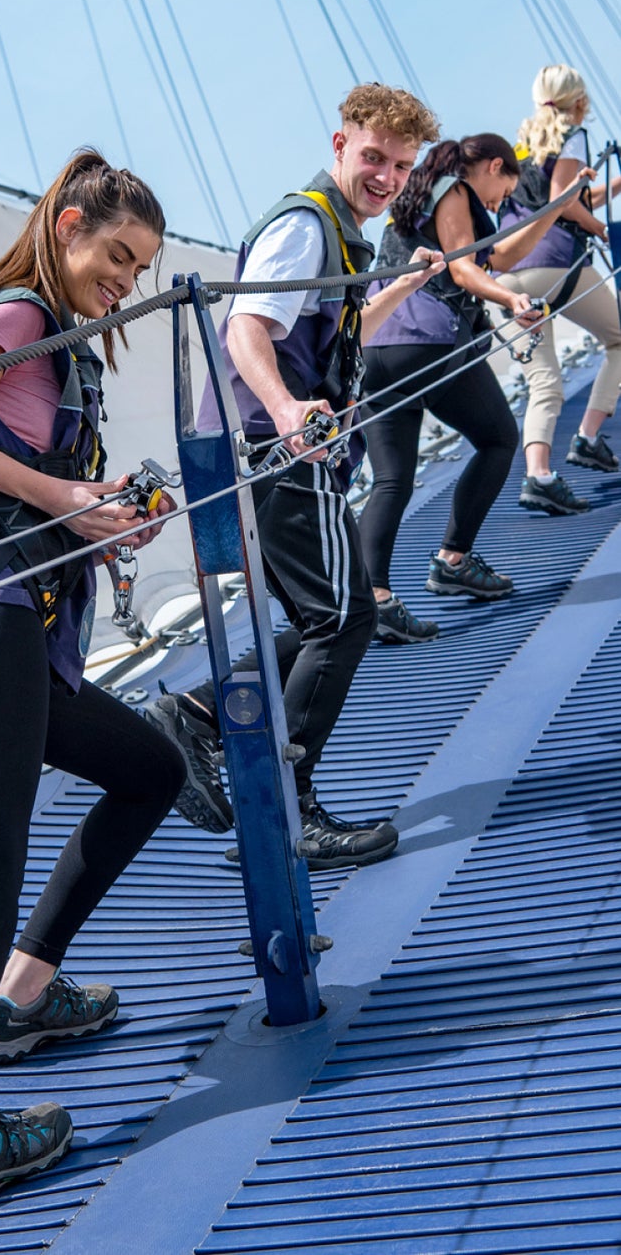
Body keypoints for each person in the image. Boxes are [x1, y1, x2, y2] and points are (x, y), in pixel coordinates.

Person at [0, 150, 184, 1217]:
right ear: (64, 226)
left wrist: (94, 514)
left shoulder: (58, 346)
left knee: (148, 766)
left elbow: (8, 472)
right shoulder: (18, 315)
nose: (126, 281)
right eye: (116, 256)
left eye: (141, 269)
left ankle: (20, 998)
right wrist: (61, 493)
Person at [146, 84, 443, 864]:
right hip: (278, 448)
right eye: (373, 156)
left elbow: (336, 331)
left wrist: (402, 287)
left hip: (272, 449)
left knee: (324, 619)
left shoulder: (337, 235)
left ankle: (195, 715)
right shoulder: (304, 226)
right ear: (340, 145)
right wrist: (284, 410)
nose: (386, 177)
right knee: (343, 619)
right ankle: (287, 807)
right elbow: (248, 328)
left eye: (402, 167)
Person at [358, 132, 574, 643]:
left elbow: (495, 257)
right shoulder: (455, 190)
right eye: (503, 191)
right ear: (492, 166)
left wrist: (553, 210)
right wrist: (513, 303)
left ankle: (377, 602)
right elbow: (465, 267)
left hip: (376, 344)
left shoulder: (417, 198)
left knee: (392, 480)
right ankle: (453, 559)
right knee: (499, 439)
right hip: (427, 340)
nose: (500, 203)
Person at [496, 64, 621, 516]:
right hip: (555, 264)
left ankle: (539, 476)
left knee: (544, 380)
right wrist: (600, 229)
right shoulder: (574, 134)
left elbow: (562, 198)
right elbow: (565, 202)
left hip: (508, 274)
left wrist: (605, 192)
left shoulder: (523, 143)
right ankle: (587, 437)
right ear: (579, 100)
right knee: (619, 340)